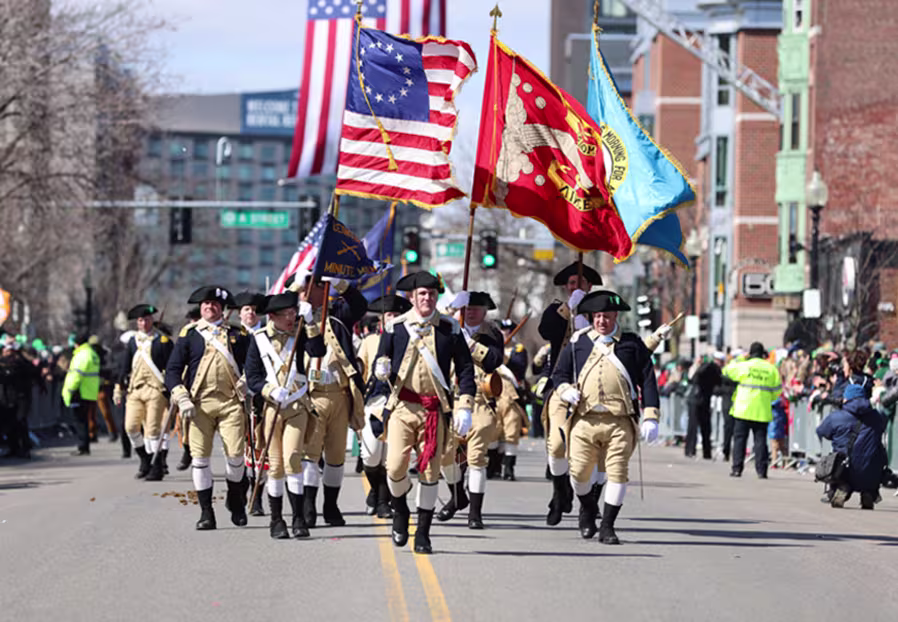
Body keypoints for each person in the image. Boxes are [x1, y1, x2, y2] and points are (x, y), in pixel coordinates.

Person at [367, 271, 476, 554]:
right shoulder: (395, 327)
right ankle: (401, 510)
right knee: (394, 466)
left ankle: (423, 533)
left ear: (437, 296)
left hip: (434, 409)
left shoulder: (450, 328)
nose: (427, 298)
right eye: (422, 294)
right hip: (402, 407)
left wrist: (465, 406)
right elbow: (382, 358)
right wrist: (380, 367)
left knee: (430, 471)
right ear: (412, 298)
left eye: (431, 293)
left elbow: (466, 369)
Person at [552, 290, 660, 545]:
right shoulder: (578, 342)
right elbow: (560, 374)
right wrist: (565, 390)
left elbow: (648, 379)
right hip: (584, 419)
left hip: (620, 420)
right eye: (598, 316)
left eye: (607, 316)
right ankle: (588, 509)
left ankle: (608, 526)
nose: (602, 321)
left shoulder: (632, 343)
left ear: (615, 317)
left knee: (617, 473)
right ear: (592, 317)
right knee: (578, 474)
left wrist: (651, 416)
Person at [165, 286, 251, 531]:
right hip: (198, 404)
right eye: (205, 304)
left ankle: (236, 500)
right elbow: (172, 370)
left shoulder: (238, 334)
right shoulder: (189, 334)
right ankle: (206, 512)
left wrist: (247, 382)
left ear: (222, 308)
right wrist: (181, 396)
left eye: (214, 304)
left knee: (235, 457)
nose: (209, 307)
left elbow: (252, 365)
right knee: (200, 459)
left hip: (231, 403)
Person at [244, 291, 324, 538]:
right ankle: (276, 520)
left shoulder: (299, 334)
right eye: (286, 314)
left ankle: (298, 518)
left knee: (292, 459)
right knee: (276, 465)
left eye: (293, 313)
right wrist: (269, 390)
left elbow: (318, 350)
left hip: (297, 404)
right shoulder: (258, 339)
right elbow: (253, 376)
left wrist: (310, 322)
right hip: (272, 407)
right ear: (272, 316)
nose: (291, 318)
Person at [291, 274, 368, 528]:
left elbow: (359, 305)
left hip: (338, 393)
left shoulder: (337, 314)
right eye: (307, 288)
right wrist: (296, 300)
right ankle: (309, 505)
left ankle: (331, 505)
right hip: (310, 395)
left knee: (335, 456)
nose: (310, 293)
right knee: (309, 454)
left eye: (316, 287)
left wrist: (340, 284)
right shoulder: (293, 319)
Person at [538, 261, 603, 526]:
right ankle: (559, 491)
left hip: (593, 388)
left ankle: (591, 502)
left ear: (590, 286)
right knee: (556, 444)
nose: (576, 287)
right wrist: (569, 309)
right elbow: (546, 331)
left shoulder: (601, 312)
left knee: (594, 450)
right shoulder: (557, 309)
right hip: (562, 384)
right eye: (572, 285)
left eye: (581, 284)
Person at [436, 290, 504, 529]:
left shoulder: (492, 334)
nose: (470, 312)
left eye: (475, 308)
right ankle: (457, 497)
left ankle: (475, 513)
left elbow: (494, 361)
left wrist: (470, 343)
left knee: (476, 458)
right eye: (465, 308)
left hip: (480, 401)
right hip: (450, 399)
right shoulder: (447, 330)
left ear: (485, 312)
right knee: (444, 454)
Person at [358, 294, 411, 518]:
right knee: (371, 454)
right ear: (381, 320)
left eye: (397, 315)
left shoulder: (409, 339)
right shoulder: (369, 340)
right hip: (375, 401)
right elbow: (360, 368)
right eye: (389, 315)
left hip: (399, 402)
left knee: (390, 457)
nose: (392, 318)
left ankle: (382, 500)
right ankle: (373, 490)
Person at [114, 304, 174, 480]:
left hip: (156, 389)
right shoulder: (133, 342)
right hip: (135, 389)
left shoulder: (162, 341)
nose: (144, 323)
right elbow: (125, 366)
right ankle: (145, 460)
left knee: (153, 430)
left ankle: (157, 467)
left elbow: (171, 367)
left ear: (152, 320)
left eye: (147, 319)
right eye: (140, 320)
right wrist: (119, 387)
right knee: (131, 427)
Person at [817, 383, 888, 509]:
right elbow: (882, 428)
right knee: (875, 456)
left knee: (838, 461)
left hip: (843, 468)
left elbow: (822, 432)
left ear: (846, 398)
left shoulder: (836, 417)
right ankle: (869, 493)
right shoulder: (877, 416)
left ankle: (840, 488)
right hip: (870, 469)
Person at [231, 291, 269, 516]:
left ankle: (257, 497)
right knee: (239, 449)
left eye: (254, 310)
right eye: (247, 310)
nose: (251, 313)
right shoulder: (233, 336)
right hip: (237, 399)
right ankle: (240, 490)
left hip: (262, 397)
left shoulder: (267, 335)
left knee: (259, 447)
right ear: (239, 313)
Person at [723, 342, 782, 479]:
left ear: (750, 353)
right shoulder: (771, 369)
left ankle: (737, 469)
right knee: (760, 441)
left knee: (739, 440)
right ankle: (761, 471)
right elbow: (777, 391)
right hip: (762, 410)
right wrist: (767, 398)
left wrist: (740, 358)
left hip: (743, 409)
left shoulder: (744, 365)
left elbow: (726, 370)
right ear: (763, 354)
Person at [0, 337, 42, 458]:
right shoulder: (4, 362)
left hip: (21, 396)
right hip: (6, 397)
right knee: (10, 423)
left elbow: (30, 371)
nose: (6, 352)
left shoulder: (20, 362)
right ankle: (14, 447)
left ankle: (25, 447)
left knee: (20, 422)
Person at [62, 333, 101, 456]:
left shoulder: (82, 355)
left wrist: (70, 389)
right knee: (84, 419)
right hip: (89, 391)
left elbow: (76, 375)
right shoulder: (92, 354)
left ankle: (83, 446)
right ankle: (84, 445)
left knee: (80, 421)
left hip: (79, 391)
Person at [685, 352, 724, 460]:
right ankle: (704, 452)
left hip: (699, 399)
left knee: (696, 426)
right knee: (702, 426)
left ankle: (691, 450)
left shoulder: (704, 369)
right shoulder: (713, 370)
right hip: (701, 399)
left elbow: (691, 379)